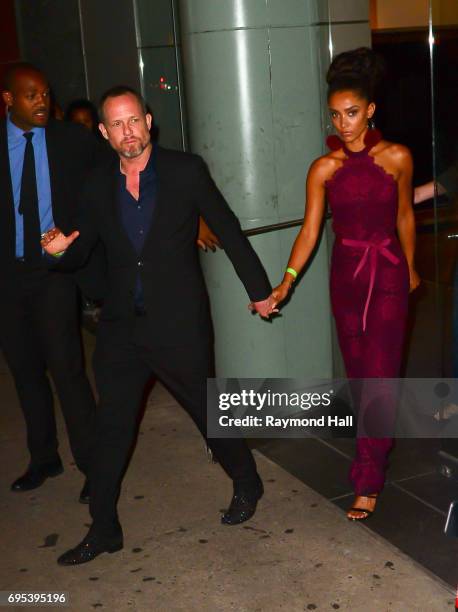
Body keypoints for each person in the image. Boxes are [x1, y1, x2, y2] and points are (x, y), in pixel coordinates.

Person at [41, 85, 274, 565]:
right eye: (117, 125)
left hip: (179, 323)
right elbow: (83, 247)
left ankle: (247, 480)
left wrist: (259, 291)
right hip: (122, 326)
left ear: (148, 121)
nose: (128, 132)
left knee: (208, 413)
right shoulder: (96, 182)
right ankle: (104, 528)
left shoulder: (185, 171)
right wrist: (61, 251)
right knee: (112, 427)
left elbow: (227, 228)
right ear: (104, 132)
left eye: (134, 121)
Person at [271, 48, 420, 520]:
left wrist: (412, 268)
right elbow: (310, 232)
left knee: (378, 377)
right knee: (361, 378)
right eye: (336, 115)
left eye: (352, 113)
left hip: (389, 273)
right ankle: (375, 449)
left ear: (370, 109)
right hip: (347, 278)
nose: (344, 123)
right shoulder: (323, 169)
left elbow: (405, 216)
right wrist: (287, 282)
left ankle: (368, 477)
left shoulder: (397, 157)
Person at [0, 63, 99, 502]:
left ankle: (94, 466)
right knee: (25, 372)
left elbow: (105, 189)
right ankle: (44, 457)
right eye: (30, 95)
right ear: (8, 100)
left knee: (68, 371)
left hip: (53, 272)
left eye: (44, 93)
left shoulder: (70, 139)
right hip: (7, 278)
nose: (42, 101)